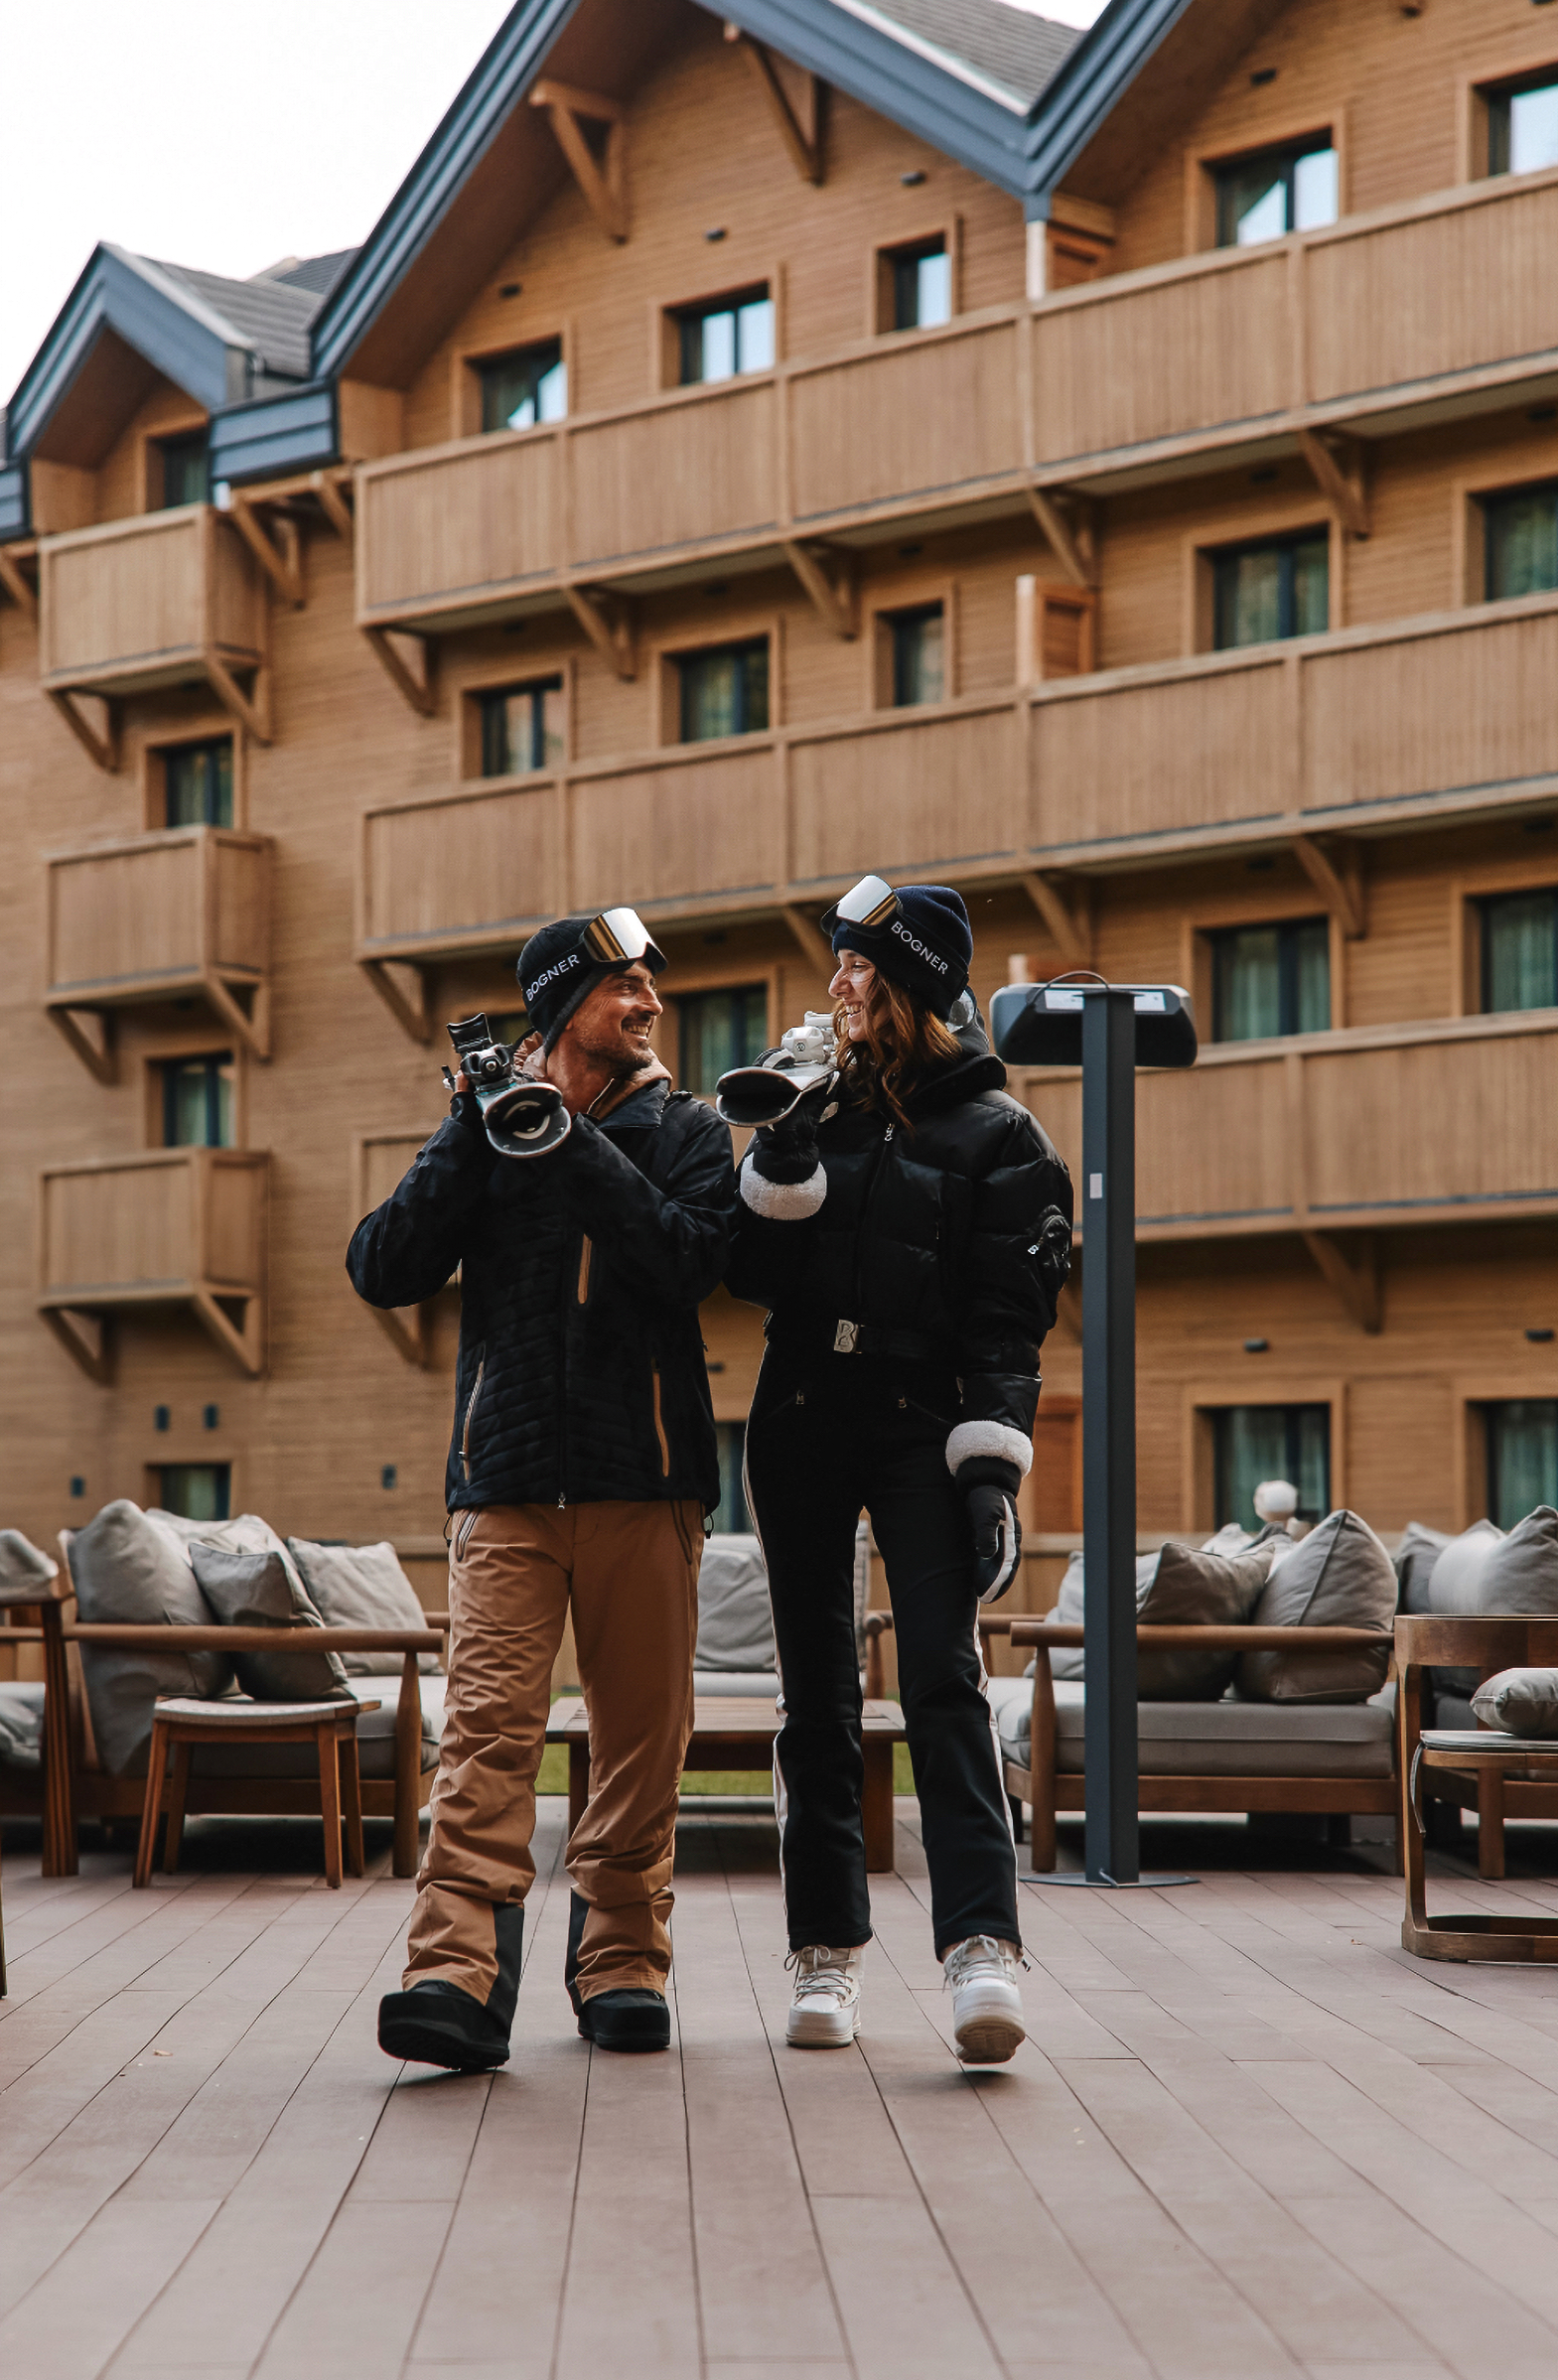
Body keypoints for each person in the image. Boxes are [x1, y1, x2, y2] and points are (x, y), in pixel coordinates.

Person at [351, 909, 736, 2070]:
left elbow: (687, 1262)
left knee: (637, 1750)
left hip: (647, 1481)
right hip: (507, 1485)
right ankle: (453, 1979)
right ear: (566, 1002)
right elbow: (384, 1266)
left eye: (651, 987)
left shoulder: (690, 1131)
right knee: (485, 1741)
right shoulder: (482, 1133)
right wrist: (477, 1128)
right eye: (628, 986)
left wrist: (562, 1137)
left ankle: (621, 1965)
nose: (652, 1005)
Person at [727, 877, 1071, 2063]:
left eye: (858, 966)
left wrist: (992, 1472)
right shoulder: (818, 1104)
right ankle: (825, 1955)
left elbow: (1008, 1327)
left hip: (927, 1424)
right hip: (802, 1415)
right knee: (816, 1692)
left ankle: (984, 1947)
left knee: (941, 1677)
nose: (837, 984)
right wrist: (779, 1152)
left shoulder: (1003, 1138)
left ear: (912, 982)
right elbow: (754, 1279)